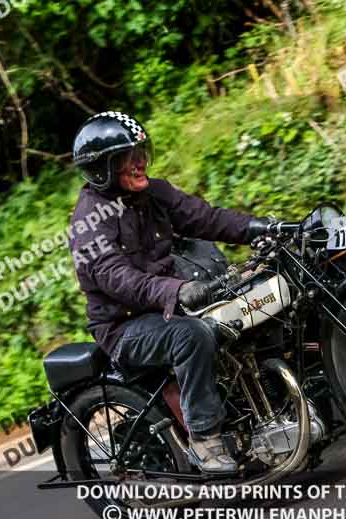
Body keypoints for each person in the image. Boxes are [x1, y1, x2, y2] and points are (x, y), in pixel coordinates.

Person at [69, 111, 271, 474]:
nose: (140, 161)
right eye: (128, 156)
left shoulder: (155, 193)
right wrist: (178, 290)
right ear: (102, 167)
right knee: (190, 336)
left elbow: (208, 219)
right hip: (125, 328)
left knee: (257, 300)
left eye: (141, 151)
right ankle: (206, 441)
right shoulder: (88, 223)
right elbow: (118, 278)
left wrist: (263, 228)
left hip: (169, 305)